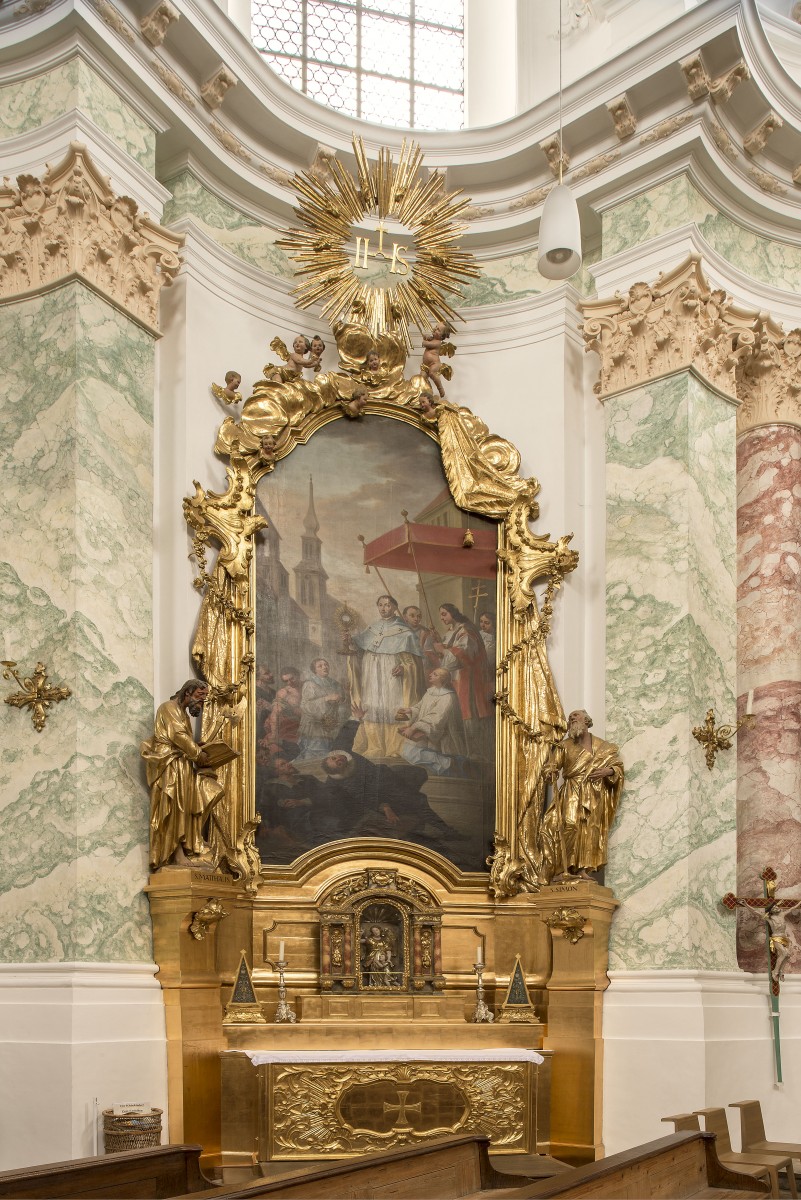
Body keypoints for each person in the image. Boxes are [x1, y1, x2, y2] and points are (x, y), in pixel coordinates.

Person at [141, 680, 225, 870]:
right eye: (200, 696)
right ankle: (176, 854)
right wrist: (198, 754)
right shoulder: (168, 708)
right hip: (170, 765)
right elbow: (178, 736)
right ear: (188, 692)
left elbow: (185, 740)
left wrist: (200, 748)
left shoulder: (184, 714)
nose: (201, 702)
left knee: (194, 802)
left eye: (204, 698)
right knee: (174, 807)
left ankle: (189, 847)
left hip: (183, 765)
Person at [543, 709, 624, 877]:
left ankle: (582, 869)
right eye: (570, 717)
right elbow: (552, 766)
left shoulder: (603, 746)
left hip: (594, 793)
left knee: (590, 829)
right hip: (571, 791)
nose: (572, 718)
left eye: (576, 715)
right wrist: (550, 771)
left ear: (587, 720)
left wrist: (608, 772)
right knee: (569, 825)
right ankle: (561, 869)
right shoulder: (564, 746)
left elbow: (618, 768)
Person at [346, 594, 425, 758]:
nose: (383, 608)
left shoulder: (405, 632)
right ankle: (375, 746)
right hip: (371, 673)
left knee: (392, 706)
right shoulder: (372, 628)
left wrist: (404, 668)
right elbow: (358, 649)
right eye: (380, 605)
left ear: (395, 607)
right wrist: (349, 641)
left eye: (387, 605)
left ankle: (394, 748)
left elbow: (411, 661)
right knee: (372, 705)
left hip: (391, 674)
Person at [432, 603, 493, 745]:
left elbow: (463, 655)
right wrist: (442, 646)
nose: (441, 618)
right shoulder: (457, 630)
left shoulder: (465, 631)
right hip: (460, 678)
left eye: (444, 614)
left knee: (468, 712)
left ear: (453, 613)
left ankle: (472, 749)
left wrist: (442, 650)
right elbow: (454, 650)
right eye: (440, 614)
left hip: (469, 679)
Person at [397, 667, 468, 776]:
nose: (430, 675)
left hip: (441, 738)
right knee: (407, 751)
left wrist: (413, 727)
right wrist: (411, 710)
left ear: (443, 679)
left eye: (435, 674)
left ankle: (448, 763)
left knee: (411, 753)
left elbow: (436, 719)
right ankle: (446, 765)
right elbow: (420, 707)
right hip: (427, 732)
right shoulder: (430, 692)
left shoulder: (448, 696)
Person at [297, 658, 349, 759]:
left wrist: (341, 699)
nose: (324, 667)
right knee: (317, 754)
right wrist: (326, 698)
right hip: (316, 727)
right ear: (314, 670)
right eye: (320, 666)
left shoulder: (335, 684)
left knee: (333, 752)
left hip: (332, 724)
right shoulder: (310, 684)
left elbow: (343, 702)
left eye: (326, 665)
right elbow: (305, 706)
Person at [266, 667, 302, 758]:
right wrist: (274, 735)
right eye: (286, 681)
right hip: (289, 725)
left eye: (292, 679)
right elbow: (275, 713)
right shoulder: (284, 692)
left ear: (297, 675)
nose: (289, 683)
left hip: (306, 722)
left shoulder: (308, 686)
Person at [402, 604, 439, 669]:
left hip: (422, 666)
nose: (416, 619)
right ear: (405, 617)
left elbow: (428, 653)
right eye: (412, 616)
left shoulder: (425, 632)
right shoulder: (401, 632)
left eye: (419, 616)